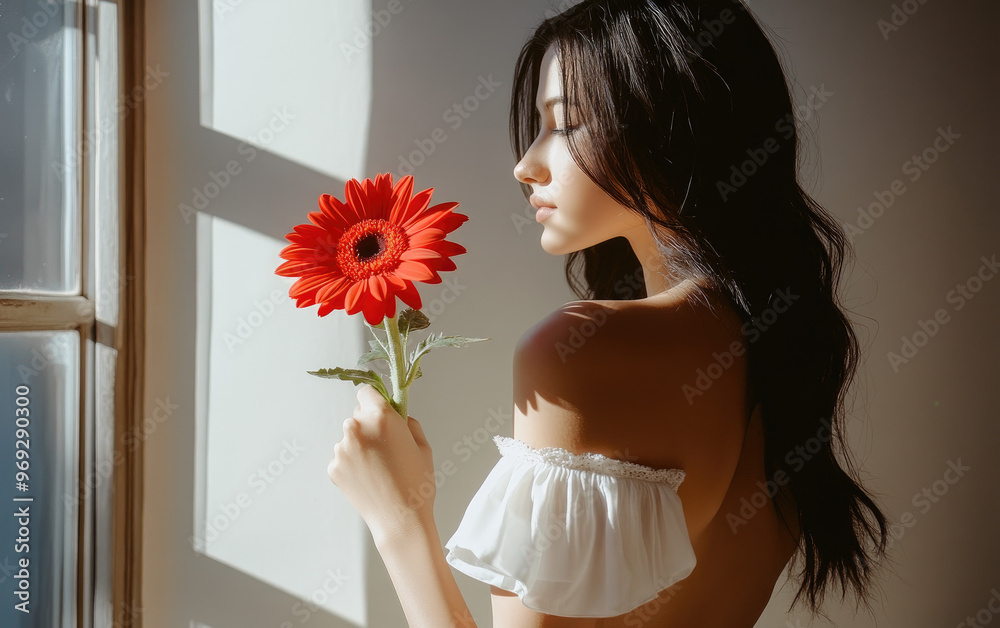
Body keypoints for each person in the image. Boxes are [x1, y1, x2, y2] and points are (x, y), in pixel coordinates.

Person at [327, 1, 892, 626]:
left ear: (671, 126)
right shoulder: (780, 339)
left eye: (565, 126)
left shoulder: (586, 350)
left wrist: (399, 520)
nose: (525, 164)